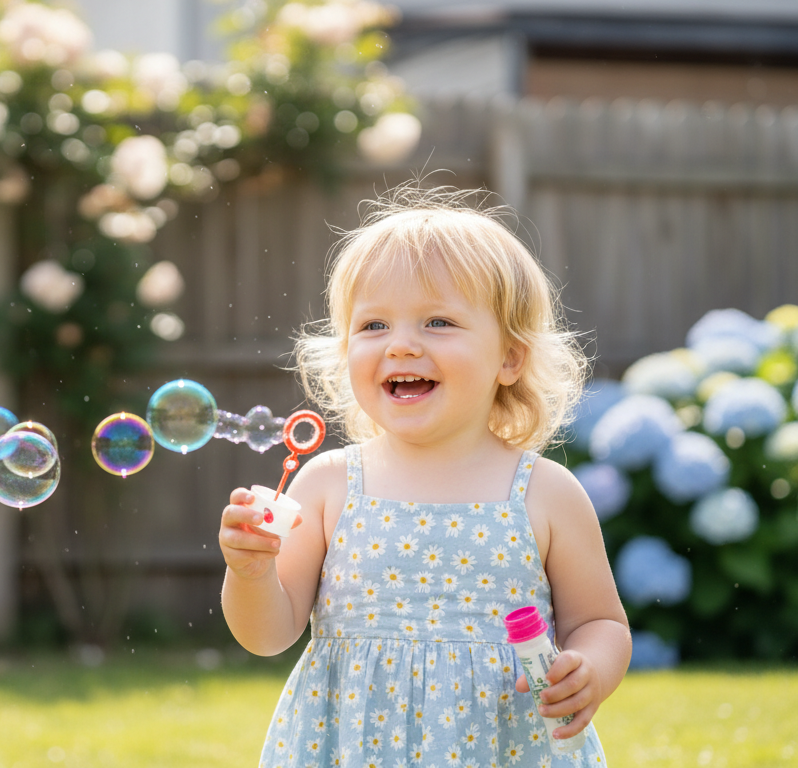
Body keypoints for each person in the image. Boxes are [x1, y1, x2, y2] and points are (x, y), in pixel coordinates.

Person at [218, 187, 630, 767]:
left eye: (438, 321)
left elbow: (600, 620)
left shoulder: (544, 492)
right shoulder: (329, 485)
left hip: (505, 748)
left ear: (510, 358)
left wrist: (589, 668)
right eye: (373, 325)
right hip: (351, 748)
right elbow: (267, 635)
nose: (402, 344)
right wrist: (250, 572)